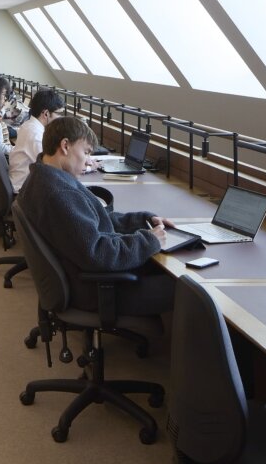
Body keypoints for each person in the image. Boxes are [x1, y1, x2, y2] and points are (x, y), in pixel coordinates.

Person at [18, 115, 175, 316]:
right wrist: (148, 241)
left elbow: (93, 221)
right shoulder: (60, 194)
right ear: (65, 146)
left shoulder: (44, 177)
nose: (88, 161)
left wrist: (143, 221)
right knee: (185, 290)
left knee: (163, 267)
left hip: (84, 277)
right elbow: (98, 253)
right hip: (97, 290)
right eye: (86, 152)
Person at [9, 88, 64, 191]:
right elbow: (52, 166)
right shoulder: (35, 133)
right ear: (46, 113)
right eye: (59, 114)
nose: (61, 118)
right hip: (23, 190)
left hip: (25, 184)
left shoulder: (29, 126)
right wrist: (85, 166)